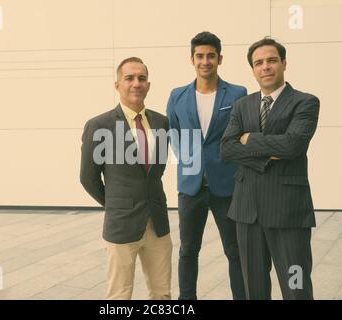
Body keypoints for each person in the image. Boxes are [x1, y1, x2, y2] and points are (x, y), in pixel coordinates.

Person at [221, 38, 320, 300]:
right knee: (254, 291)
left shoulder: (305, 102)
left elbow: (292, 146)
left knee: (296, 288)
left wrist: (250, 139)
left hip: (288, 212)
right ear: (253, 69)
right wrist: (268, 154)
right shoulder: (242, 105)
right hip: (247, 212)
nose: (265, 67)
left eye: (272, 60)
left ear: (284, 63)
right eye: (259, 63)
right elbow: (227, 148)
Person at [80, 57, 172, 300]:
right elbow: (88, 178)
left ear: (148, 85)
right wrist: (115, 203)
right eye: (129, 78)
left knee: (162, 295)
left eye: (141, 78)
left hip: (157, 223)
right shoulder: (99, 125)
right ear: (117, 85)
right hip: (121, 224)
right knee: (119, 296)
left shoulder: (162, 122)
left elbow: (157, 170)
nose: (136, 83)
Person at [166, 31, 246, 300]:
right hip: (191, 186)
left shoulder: (237, 93)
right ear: (191, 60)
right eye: (199, 56)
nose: (205, 61)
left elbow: (241, 135)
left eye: (211, 55)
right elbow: (174, 136)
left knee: (235, 251)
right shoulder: (177, 96)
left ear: (220, 58)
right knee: (188, 250)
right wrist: (189, 163)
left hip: (227, 185)